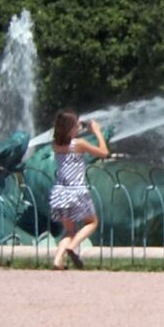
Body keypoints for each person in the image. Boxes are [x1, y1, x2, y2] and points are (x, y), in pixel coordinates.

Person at [47, 110, 108, 268]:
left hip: (59, 192)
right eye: (76, 125)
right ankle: (72, 247)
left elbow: (66, 139)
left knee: (69, 231)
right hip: (76, 191)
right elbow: (103, 152)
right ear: (71, 128)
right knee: (92, 222)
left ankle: (57, 260)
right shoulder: (78, 144)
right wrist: (96, 132)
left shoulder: (56, 145)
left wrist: (80, 127)